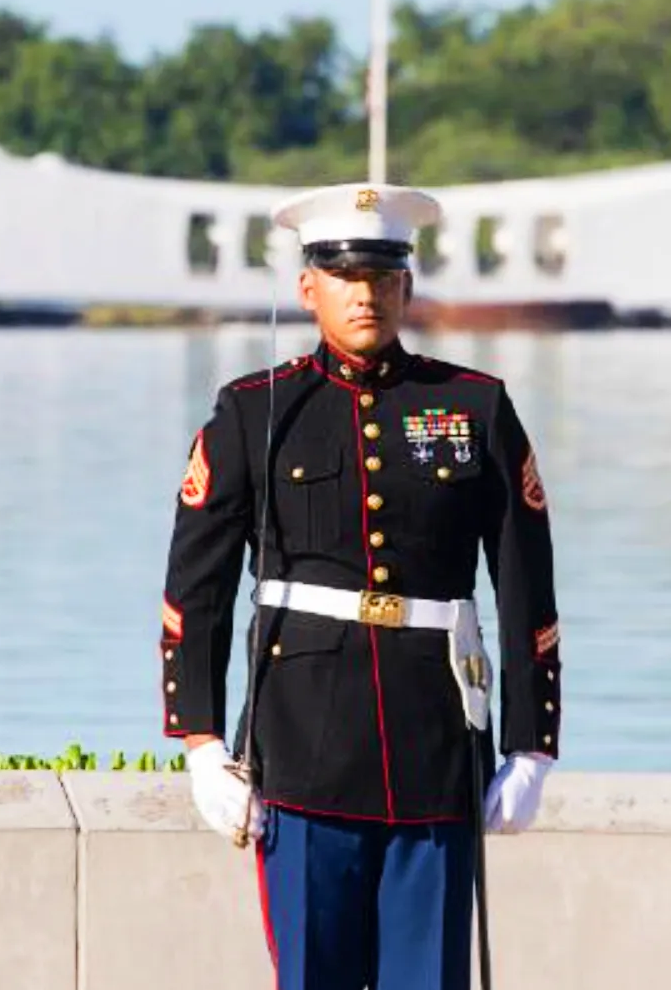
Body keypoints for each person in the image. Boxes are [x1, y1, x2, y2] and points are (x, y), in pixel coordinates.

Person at [157, 182, 562, 990]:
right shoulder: (253, 412)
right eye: (345, 276)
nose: (365, 294)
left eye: (382, 276)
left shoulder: (472, 407)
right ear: (308, 288)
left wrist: (530, 743)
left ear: (407, 286)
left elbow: (525, 585)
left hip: (437, 750)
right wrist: (199, 743)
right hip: (304, 750)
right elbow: (194, 591)